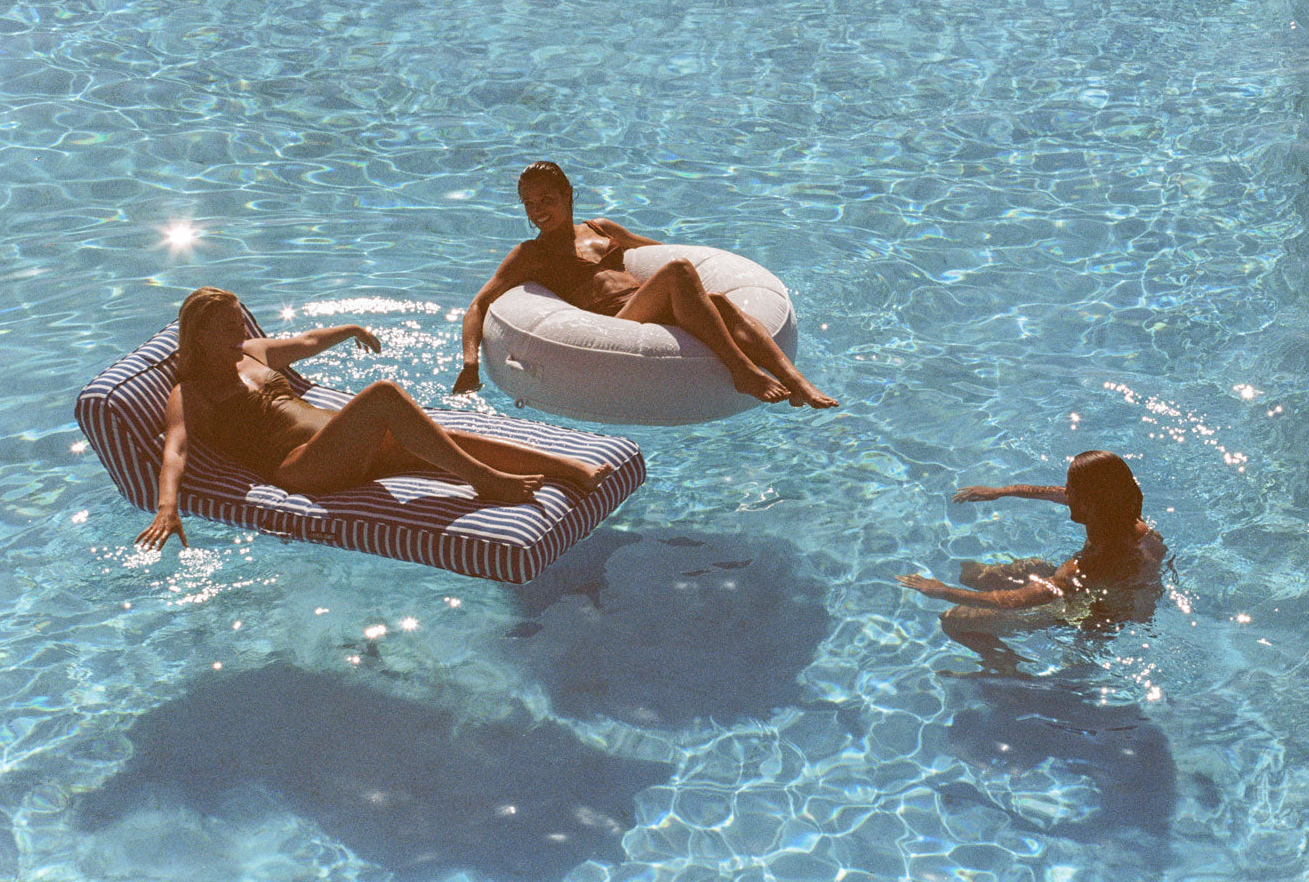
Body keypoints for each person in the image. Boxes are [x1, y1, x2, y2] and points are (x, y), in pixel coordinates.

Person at [134, 287, 611, 551]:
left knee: (448, 436)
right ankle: (486, 481)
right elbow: (175, 448)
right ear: (200, 335)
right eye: (229, 328)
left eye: (241, 323)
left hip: (342, 446)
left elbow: (303, 343)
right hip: (302, 467)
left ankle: (569, 468)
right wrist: (166, 508)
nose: (241, 333)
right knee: (383, 397)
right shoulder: (191, 392)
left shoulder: (253, 354)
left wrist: (349, 329)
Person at [450, 161, 838, 410]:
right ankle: (742, 371)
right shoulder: (530, 254)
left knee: (717, 298)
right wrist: (470, 365)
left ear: (569, 195)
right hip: (618, 319)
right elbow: (478, 306)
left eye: (546, 199)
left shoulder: (602, 229)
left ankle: (797, 382)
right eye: (528, 203)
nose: (537, 211)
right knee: (680, 273)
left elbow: (662, 250)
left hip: (646, 303)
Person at [896, 450, 1167, 648]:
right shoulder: (1122, 511)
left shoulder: (1086, 566)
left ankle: (1007, 671)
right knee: (971, 574)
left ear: (1086, 503)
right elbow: (1053, 491)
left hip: (1094, 612)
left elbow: (1013, 601)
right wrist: (1001, 491)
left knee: (954, 619)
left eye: (1071, 491)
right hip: (1114, 590)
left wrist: (942, 591)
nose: (1065, 494)